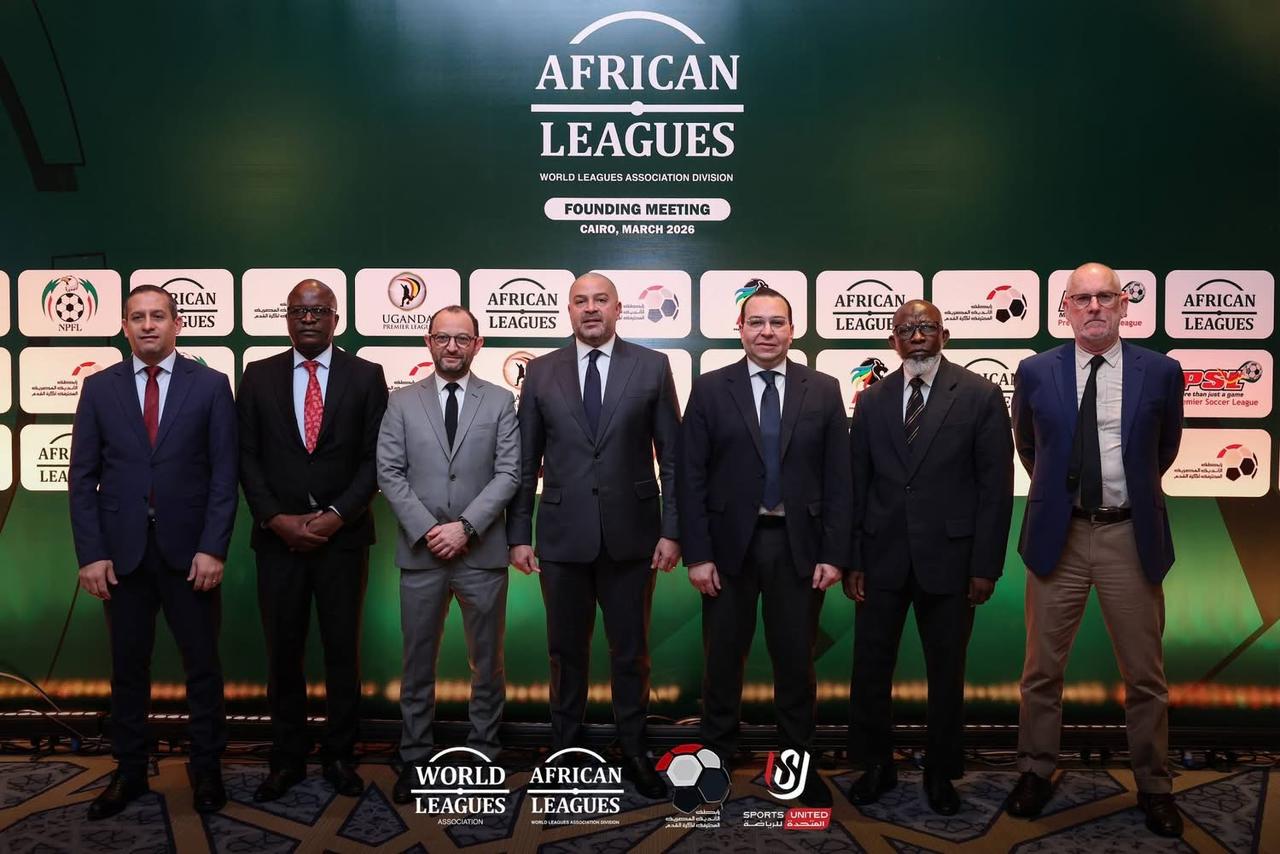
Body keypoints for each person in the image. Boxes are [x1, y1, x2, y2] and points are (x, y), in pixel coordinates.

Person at [1007, 262, 1185, 838]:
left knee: (1145, 675)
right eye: (1081, 299)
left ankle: (1154, 784)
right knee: (1041, 670)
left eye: (1104, 297)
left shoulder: (1161, 372)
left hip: (1127, 535)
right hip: (1057, 535)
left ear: (1123, 304)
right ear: (1065, 308)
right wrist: (1064, 497)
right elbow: (1029, 446)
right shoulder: (1035, 371)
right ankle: (1035, 770)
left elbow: (1164, 449)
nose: (1093, 308)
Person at [506, 272, 680, 799]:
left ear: (618, 309)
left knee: (631, 653)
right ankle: (566, 750)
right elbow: (525, 462)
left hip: (634, 537)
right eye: (580, 301)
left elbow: (673, 460)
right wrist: (518, 533)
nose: (590, 309)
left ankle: (635, 749)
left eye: (600, 300)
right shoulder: (541, 372)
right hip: (562, 537)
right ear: (569, 311)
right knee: (565, 652)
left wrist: (673, 530)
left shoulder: (652, 366)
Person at [678, 280, 850, 808]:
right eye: (756, 322)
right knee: (722, 660)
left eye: (777, 322)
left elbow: (839, 478)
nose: (767, 331)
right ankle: (714, 759)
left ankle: (796, 764)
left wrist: (834, 553)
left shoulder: (823, 389)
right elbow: (690, 476)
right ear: (740, 329)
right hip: (728, 549)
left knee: (795, 662)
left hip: (798, 547)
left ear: (793, 330)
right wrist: (698, 554)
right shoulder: (710, 388)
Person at [69, 285, 237, 818]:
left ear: (176, 324)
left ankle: (206, 770)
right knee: (127, 669)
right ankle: (129, 772)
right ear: (125, 327)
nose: (147, 325)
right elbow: (82, 478)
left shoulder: (211, 386)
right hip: (122, 558)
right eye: (137, 317)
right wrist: (91, 554)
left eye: (158, 316)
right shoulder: (99, 388)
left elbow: (224, 475)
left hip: (191, 556)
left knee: (203, 668)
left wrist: (213, 548)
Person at [843, 299, 1013, 814]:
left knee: (946, 672)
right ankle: (876, 765)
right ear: (892, 341)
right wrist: (854, 559)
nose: (917, 335)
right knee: (870, 668)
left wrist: (985, 565)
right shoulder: (871, 400)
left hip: (952, 561)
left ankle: (941, 772)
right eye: (906, 329)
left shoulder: (980, 394)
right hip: (881, 558)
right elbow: (857, 483)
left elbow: (996, 487)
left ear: (945, 335)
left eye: (926, 327)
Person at [237, 279, 388, 801]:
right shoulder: (257, 376)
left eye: (318, 311)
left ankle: (340, 755)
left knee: (342, 651)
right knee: (283, 653)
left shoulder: (367, 376)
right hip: (277, 541)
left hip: (342, 541)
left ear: (335, 318)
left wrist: (337, 516)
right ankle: (287, 758)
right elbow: (246, 456)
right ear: (286, 317)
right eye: (299, 311)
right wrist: (274, 518)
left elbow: (375, 458)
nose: (308, 318)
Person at [377, 306, 519, 804]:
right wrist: (429, 530)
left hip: (481, 554)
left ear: (478, 344)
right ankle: (415, 756)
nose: (452, 347)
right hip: (422, 555)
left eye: (462, 338)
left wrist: (465, 527)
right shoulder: (401, 402)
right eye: (443, 338)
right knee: (417, 663)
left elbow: (509, 473)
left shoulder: (500, 400)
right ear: (428, 342)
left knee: (488, 663)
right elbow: (389, 472)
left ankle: (484, 753)